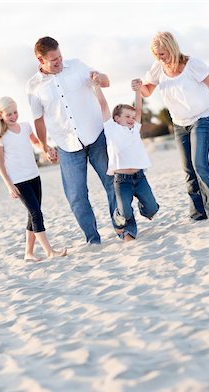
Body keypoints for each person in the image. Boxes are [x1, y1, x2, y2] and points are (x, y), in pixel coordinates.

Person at [26, 36, 133, 245]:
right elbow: (38, 120)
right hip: (67, 146)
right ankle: (93, 239)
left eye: (59, 56)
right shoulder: (33, 86)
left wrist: (99, 77)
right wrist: (44, 146)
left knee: (113, 184)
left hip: (96, 135)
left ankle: (123, 229)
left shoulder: (76, 66)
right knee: (76, 196)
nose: (59, 61)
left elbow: (106, 81)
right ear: (40, 60)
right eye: (53, 60)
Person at [141, 31, 209, 221]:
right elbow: (147, 91)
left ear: (171, 48)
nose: (159, 58)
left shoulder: (192, 65)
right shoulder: (158, 68)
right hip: (179, 124)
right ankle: (198, 213)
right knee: (188, 171)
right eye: (156, 55)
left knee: (200, 164)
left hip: (201, 119)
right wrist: (138, 86)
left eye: (162, 53)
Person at [0, 96, 67, 261]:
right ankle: (49, 251)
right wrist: (9, 184)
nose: (13, 116)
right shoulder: (0, 137)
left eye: (15, 112)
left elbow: (37, 143)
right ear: (0, 115)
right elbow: (0, 164)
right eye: (9, 114)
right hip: (19, 181)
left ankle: (29, 253)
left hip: (34, 176)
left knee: (31, 214)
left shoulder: (25, 127)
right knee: (36, 213)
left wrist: (46, 149)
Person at [92, 76, 159, 240]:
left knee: (152, 209)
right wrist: (96, 87)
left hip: (140, 177)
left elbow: (139, 109)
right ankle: (117, 218)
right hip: (122, 181)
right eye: (127, 116)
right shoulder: (111, 128)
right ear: (116, 118)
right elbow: (103, 105)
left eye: (132, 116)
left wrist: (137, 92)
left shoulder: (135, 129)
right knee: (125, 214)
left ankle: (146, 211)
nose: (131, 119)